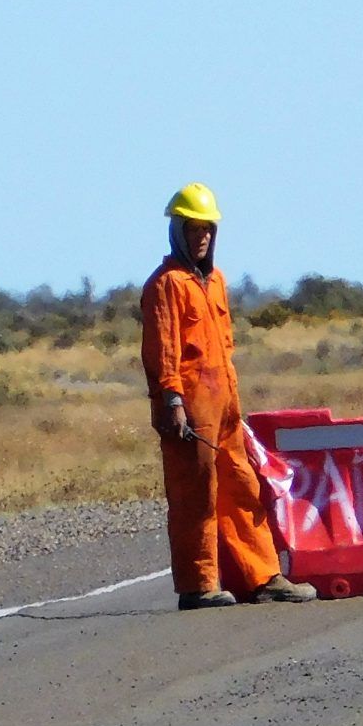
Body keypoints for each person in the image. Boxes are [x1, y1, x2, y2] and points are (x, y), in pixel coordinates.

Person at [140, 183, 316, 610]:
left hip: (225, 403)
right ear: (178, 231)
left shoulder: (216, 281)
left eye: (208, 229)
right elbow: (162, 350)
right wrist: (173, 401)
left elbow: (226, 344)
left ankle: (264, 577)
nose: (201, 236)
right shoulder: (166, 284)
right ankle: (199, 585)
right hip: (188, 406)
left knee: (242, 486)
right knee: (195, 495)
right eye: (193, 228)